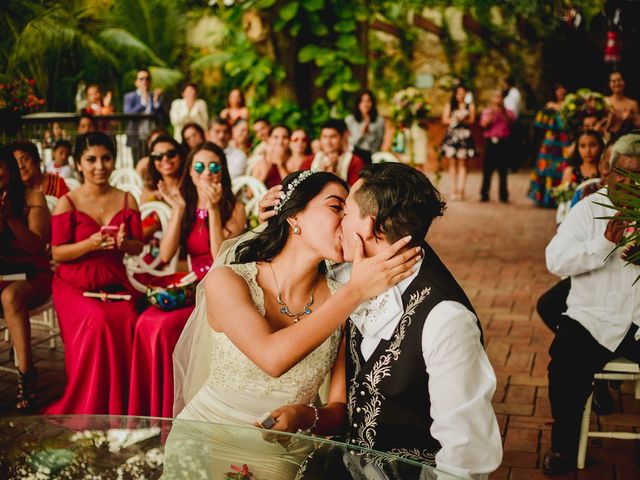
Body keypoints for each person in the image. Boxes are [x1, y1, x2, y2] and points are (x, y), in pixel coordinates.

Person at [169, 169, 419, 478]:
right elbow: (271, 358)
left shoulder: (344, 297)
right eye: (335, 207)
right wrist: (356, 291)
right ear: (294, 216)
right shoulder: (228, 280)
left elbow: (338, 410)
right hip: (205, 436)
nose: (346, 221)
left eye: (349, 210)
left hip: (281, 452)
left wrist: (305, 415)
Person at [264, 163, 502, 478]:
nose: (339, 222)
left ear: (370, 225)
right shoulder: (348, 268)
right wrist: (274, 219)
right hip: (346, 464)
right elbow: (295, 259)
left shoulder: (445, 318)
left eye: (345, 212)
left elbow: (465, 455)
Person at [542, 133, 640, 475]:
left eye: (638, 176)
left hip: (639, 324)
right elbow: (555, 261)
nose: (629, 183)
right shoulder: (588, 210)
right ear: (608, 172)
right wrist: (601, 245)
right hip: (592, 319)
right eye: (623, 174)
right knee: (564, 365)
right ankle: (563, 449)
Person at [129, 142, 245, 418]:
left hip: (222, 287)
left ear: (223, 172)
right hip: (191, 285)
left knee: (163, 327)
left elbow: (221, 258)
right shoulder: (188, 203)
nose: (207, 172)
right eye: (199, 167)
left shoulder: (234, 206)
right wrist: (179, 209)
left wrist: (214, 211)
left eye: (214, 166)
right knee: (146, 322)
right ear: (190, 173)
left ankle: (182, 411)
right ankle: (154, 410)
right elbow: (167, 253)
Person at [44, 132, 143, 415]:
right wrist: (90, 243)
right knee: (99, 320)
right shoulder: (69, 202)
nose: (99, 166)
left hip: (115, 282)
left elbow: (138, 246)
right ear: (78, 163)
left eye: (106, 158)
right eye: (91, 159)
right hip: (74, 286)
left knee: (130, 318)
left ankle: (123, 403)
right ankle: (91, 405)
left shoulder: (127, 199)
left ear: (113, 161)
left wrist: (125, 243)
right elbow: (57, 254)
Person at [0, 145, 51, 412]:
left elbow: (37, 248)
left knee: (10, 297)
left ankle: (26, 376)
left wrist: (9, 219)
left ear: (10, 173)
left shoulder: (32, 197)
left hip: (33, 275)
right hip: (2, 273)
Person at [529, 83, 571, 207]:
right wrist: (548, 111)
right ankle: (543, 198)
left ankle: (560, 197)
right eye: (558, 90)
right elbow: (539, 123)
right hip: (550, 144)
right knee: (545, 169)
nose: (561, 92)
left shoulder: (571, 107)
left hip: (563, 142)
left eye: (563, 90)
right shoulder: (549, 106)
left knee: (562, 168)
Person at [140, 135, 185, 242]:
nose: (165, 159)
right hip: (155, 249)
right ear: (153, 161)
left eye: (171, 154)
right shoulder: (149, 190)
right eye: (158, 156)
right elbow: (140, 231)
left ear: (180, 156)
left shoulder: (191, 186)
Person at [301, 119, 365, 186]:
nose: (328, 142)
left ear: (342, 138)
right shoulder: (309, 161)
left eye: (333, 137)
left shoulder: (354, 162)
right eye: (324, 137)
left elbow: (356, 193)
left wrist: (333, 173)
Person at [440, 84, 477, 200]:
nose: (460, 95)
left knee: (463, 163)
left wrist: (463, 119)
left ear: (466, 93)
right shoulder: (450, 105)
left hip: (464, 136)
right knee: (452, 163)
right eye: (458, 93)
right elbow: (444, 119)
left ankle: (461, 190)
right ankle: (454, 189)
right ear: (455, 94)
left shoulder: (470, 106)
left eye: (463, 93)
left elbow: (472, 120)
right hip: (452, 136)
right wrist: (454, 119)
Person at [479, 90, 515, 202]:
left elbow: (511, 124)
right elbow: (483, 125)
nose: (497, 99)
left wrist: (502, 112)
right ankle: (484, 194)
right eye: (495, 96)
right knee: (487, 170)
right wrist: (492, 114)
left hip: (503, 142)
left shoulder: (508, 112)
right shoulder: (487, 111)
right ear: (492, 98)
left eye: (499, 97)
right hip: (490, 141)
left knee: (503, 170)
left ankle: (503, 195)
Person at [123, 69, 166, 157]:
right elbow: (128, 114)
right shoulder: (129, 97)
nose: (144, 81)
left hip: (153, 137)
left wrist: (156, 103)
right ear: (136, 82)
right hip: (137, 137)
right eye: (141, 79)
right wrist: (142, 104)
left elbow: (163, 118)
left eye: (147, 79)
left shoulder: (155, 96)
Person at [345, 90, 385, 165]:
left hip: (372, 155)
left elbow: (378, 143)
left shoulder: (379, 121)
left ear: (372, 103)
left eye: (368, 101)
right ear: (358, 104)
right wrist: (362, 132)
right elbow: (351, 143)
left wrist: (369, 133)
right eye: (362, 101)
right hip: (355, 154)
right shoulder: (350, 120)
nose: (365, 104)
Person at [605, 72, 640, 140]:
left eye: (619, 80)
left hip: (627, 140)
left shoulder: (633, 104)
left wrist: (628, 120)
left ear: (624, 82)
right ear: (609, 84)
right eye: (613, 81)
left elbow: (638, 126)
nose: (617, 83)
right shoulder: (605, 101)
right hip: (607, 139)